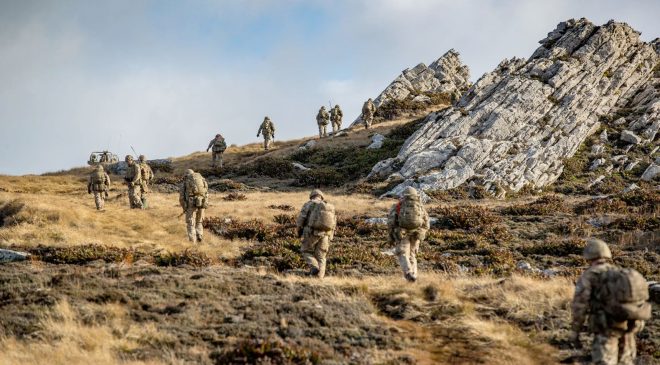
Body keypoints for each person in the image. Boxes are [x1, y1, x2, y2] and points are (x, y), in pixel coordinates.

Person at [570, 238, 651, 365]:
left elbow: (580, 305)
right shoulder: (618, 272)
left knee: (604, 361)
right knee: (626, 361)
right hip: (628, 324)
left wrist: (575, 331)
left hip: (607, 328)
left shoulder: (590, 275)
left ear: (588, 255)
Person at [387, 187, 430, 282]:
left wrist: (391, 236)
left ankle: (408, 273)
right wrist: (422, 232)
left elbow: (391, 222)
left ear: (403, 195)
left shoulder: (398, 206)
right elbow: (426, 223)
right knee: (412, 254)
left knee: (403, 253)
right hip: (417, 234)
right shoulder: (420, 206)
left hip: (402, 233)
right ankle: (414, 275)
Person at [296, 189, 336, 279]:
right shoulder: (329, 206)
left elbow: (301, 218)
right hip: (326, 234)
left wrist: (298, 230)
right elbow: (334, 222)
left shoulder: (309, 204)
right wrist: (330, 236)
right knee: (321, 257)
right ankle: (319, 278)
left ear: (311, 196)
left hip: (311, 233)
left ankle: (314, 267)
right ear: (321, 197)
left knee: (305, 251)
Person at [179, 169, 208, 243]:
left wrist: (184, 208)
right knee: (199, 221)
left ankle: (192, 241)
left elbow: (182, 197)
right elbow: (206, 191)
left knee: (190, 223)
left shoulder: (186, 181)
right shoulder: (201, 179)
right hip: (202, 201)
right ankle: (199, 235)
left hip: (191, 202)